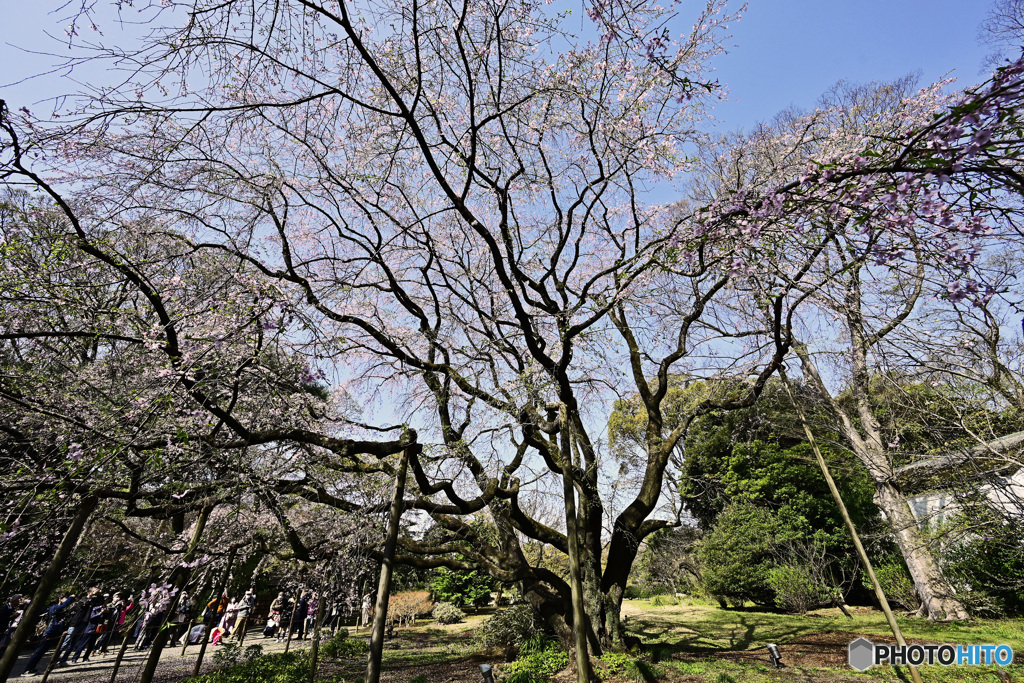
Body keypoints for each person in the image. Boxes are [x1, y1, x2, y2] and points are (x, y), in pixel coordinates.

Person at [19, 594, 75, 677]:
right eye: (65, 599)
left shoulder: (61, 609)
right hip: (48, 632)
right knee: (39, 651)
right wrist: (71, 597)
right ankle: (27, 670)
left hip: (54, 633)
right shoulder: (54, 608)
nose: (67, 601)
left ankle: (32, 668)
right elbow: (64, 605)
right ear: (60, 599)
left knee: (42, 652)